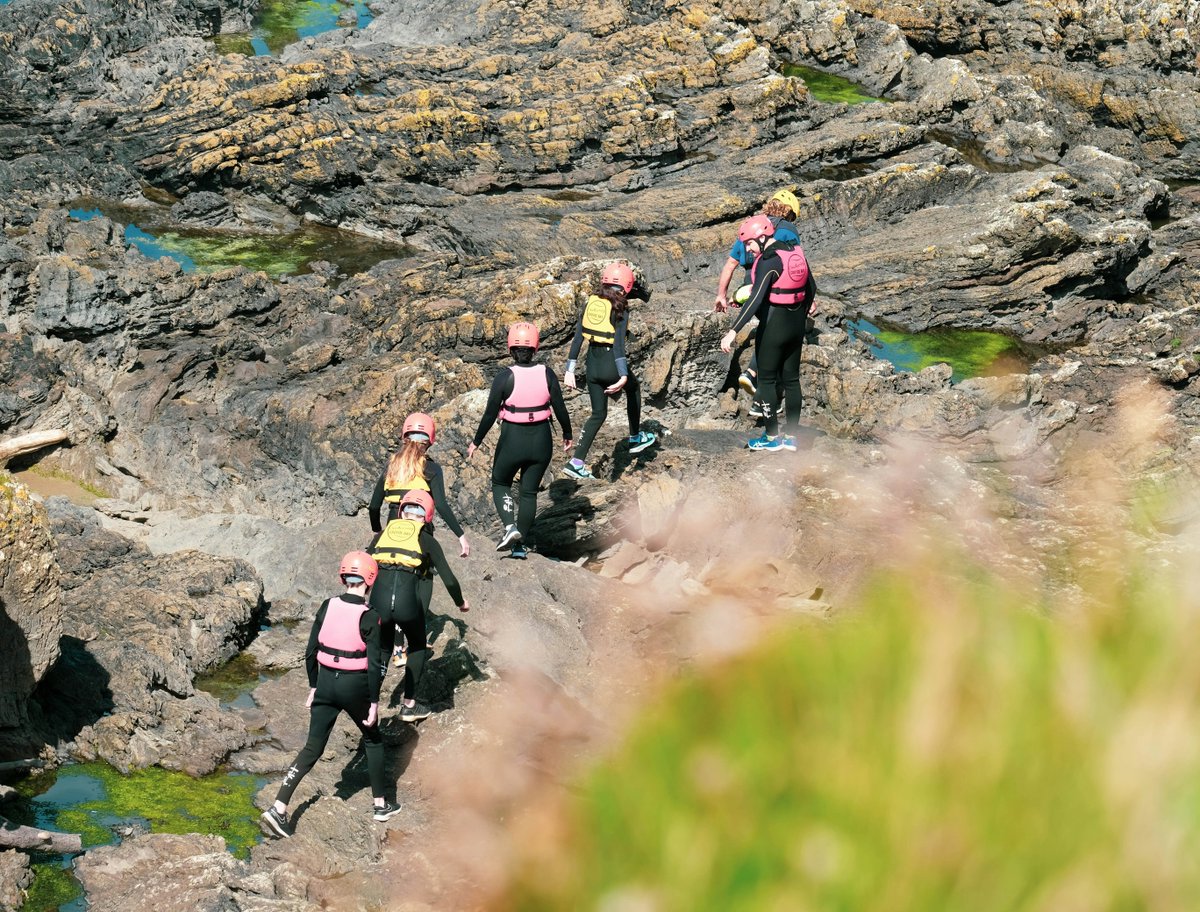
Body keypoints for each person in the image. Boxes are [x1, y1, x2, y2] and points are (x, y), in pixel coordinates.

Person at [259, 551, 399, 839]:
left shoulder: (327, 605)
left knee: (312, 748)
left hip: (325, 684)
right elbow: (373, 665)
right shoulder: (370, 616)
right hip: (354, 687)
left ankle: (278, 807)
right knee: (372, 740)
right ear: (370, 579)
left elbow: (310, 651)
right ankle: (381, 804)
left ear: (343, 575)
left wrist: (314, 686)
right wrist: (373, 702)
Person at [368, 412, 469, 667]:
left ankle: (395, 645)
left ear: (404, 436)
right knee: (423, 575)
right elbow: (442, 505)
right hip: (420, 527)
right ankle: (414, 636)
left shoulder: (392, 464)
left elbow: (373, 506)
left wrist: (377, 530)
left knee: (391, 572)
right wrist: (461, 535)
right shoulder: (431, 468)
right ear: (430, 439)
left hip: (393, 523)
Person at [467, 322, 572, 559]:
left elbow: (489, 413)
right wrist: (567, 435)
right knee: (528, 493)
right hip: (542, 440)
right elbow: (560, 407)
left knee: (500, 482)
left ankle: (509, 527)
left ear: (510, 348)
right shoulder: (547, 373)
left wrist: (476, 441)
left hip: (513, 438)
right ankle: (519, 547)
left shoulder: (505, 377)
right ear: (535, 347)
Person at [367, 489, 470, 720]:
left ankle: (371, 705)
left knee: (382, 649)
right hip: (406, 604)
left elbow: (365, 567)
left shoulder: (381, 535)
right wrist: (461, 602)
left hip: (378, 602)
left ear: (402, 512)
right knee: (417, 645)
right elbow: (449, 579)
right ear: (428, 516)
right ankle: (409, 705)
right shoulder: (427, 540)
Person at [719, 214, 816, 452]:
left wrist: (733, 331)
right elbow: (811, 288)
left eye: (750, 243)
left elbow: (754, 300)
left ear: (762, 237)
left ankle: (772, 438)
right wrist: (800, 314)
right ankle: (792, 437)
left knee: (766, 381)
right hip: (796, 325)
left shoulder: (768, 260)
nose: (748, 249)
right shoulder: (794, 251)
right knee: (792, 380)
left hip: (774, 326)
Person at [561, 262, 657, 481]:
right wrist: (623, 375)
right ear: (626, 286)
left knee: (598, 414)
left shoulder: (590, 302)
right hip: (610, 363)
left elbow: (578, 337)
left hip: (591, 365)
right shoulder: (620, 307)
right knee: (633, 388)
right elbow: (618, 346)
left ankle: (576, 462)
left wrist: (570, 369)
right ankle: (635, 438)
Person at [713, 190, 802, 408]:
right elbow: (797, 264)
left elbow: (730, 264)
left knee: (768, 325)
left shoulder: (751, 227)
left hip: (747, 288)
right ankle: (757, 381)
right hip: (770, 287)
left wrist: (721, 296)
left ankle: (755, 380)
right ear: (790, 213)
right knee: (781, 333)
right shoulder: (788, 229)